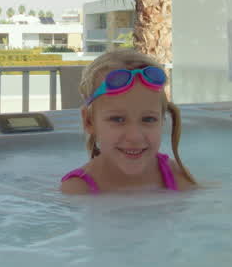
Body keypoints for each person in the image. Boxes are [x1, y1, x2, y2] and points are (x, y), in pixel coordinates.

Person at [61, 49, 197, 194]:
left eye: (148, 119)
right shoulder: (78, 188)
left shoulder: (176, 175)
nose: (135, 136)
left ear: (162, 120)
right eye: (117, 119)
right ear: (89, 122)